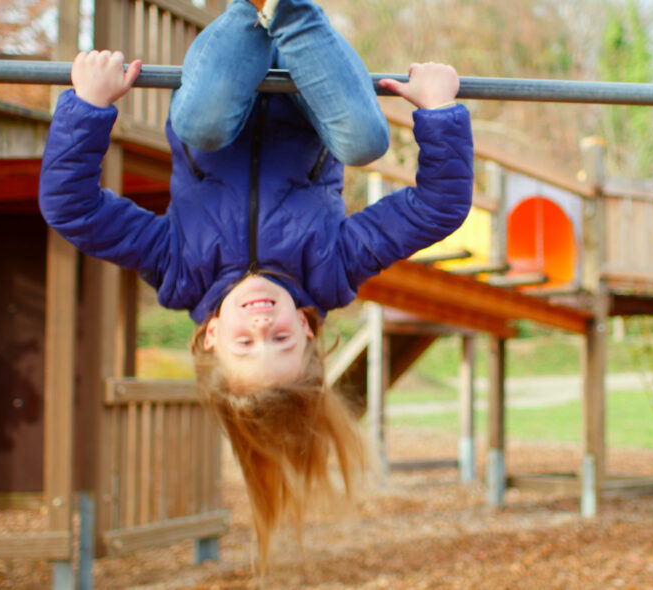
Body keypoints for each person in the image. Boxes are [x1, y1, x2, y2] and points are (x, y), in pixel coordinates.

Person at [38, 0, 473, 571]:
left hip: (220, 89)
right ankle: (287, 9)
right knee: (366, 142)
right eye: (282, 342)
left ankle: (257, 8)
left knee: (202, 125)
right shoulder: (332, 270)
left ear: (212, 334)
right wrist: (438, 114)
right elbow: (435, 209)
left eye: (248, 344)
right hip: (310, 94)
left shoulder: (177, 268)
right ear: (308, 328)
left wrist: (88, 107)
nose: (264, 326)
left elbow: (72, 210)